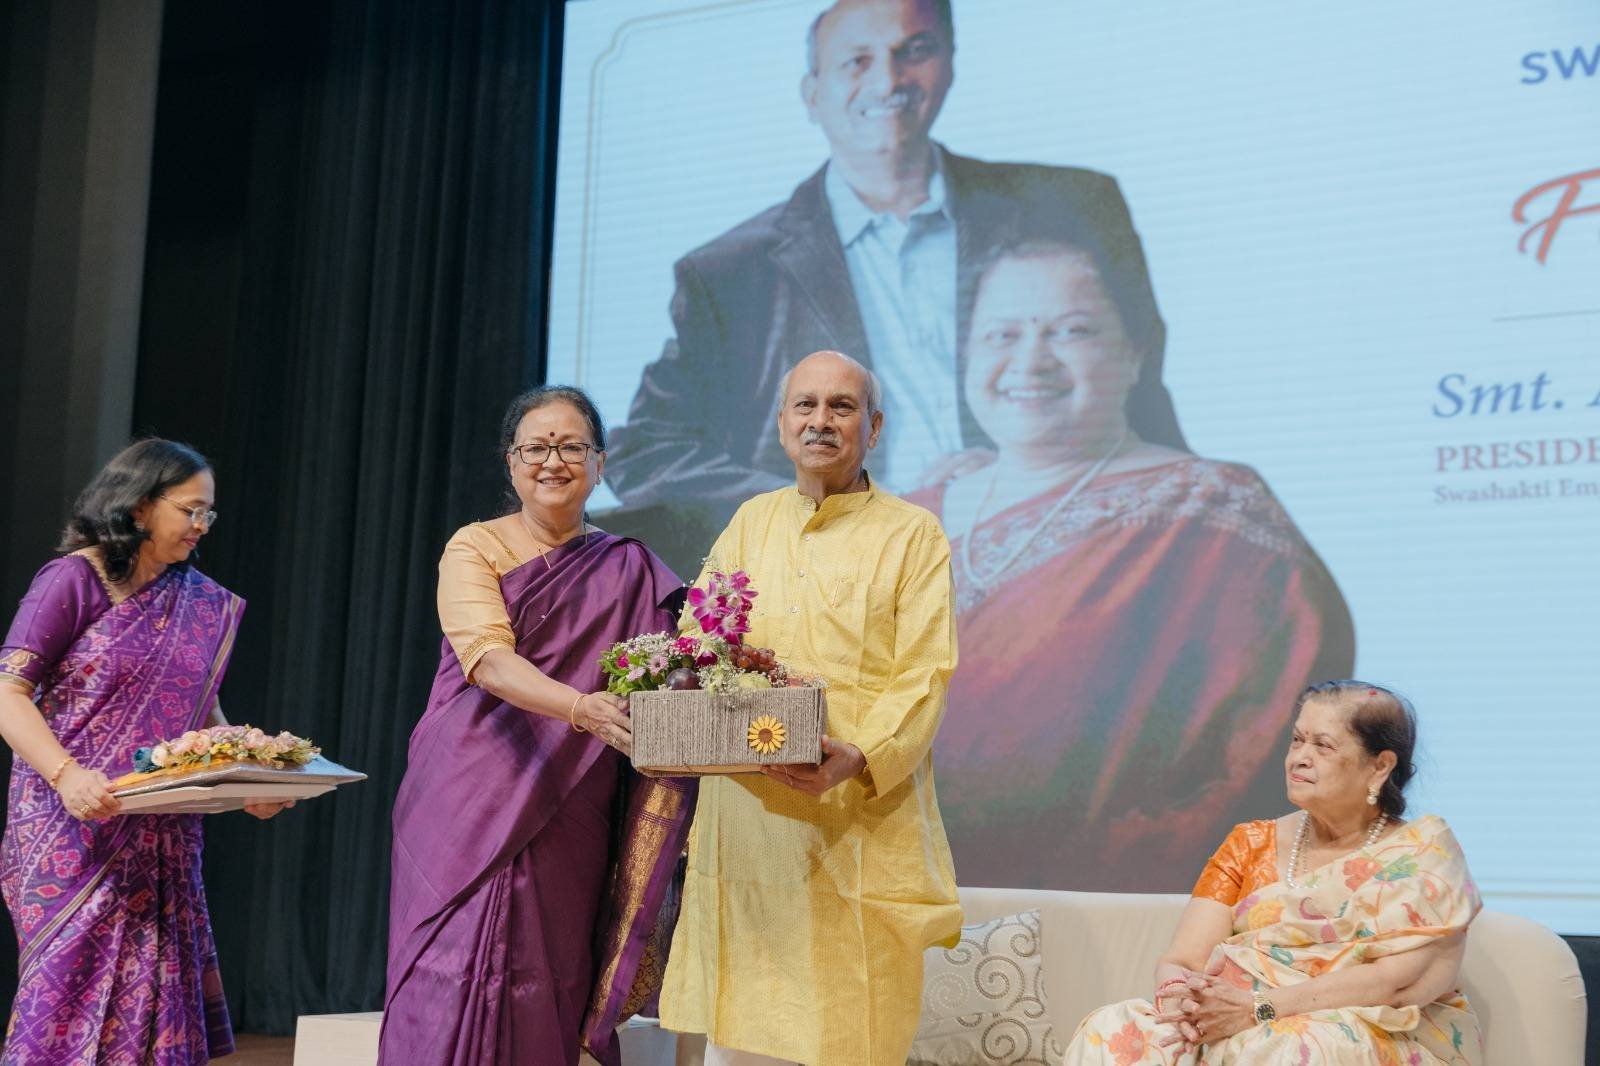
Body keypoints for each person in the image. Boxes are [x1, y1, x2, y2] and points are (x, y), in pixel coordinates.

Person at [604, 0, 1183, 575]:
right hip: (841, 585)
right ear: (812, 94)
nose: (889, 79)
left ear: (949, 65)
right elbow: (646, 450)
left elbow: (1140, 395)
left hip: (1062, 552)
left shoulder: (1069, 209)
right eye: (857, 61)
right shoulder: (730, 274)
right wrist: (839, 503)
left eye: (916, 51)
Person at [906, 236, 1354, 890]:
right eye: (1001, 334)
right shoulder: (905, 514)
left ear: (1135, 351)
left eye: (1072, 330)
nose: (1031, 359)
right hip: (896, 908)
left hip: (1112, 917)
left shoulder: (1214, 512)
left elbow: (1251, 755)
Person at [658, 350, 961, 1065]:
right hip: (750, 823)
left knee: (852, 1031)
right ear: (782, 422)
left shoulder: (912, 534)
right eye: (806, 405)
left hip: (855, 820)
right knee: (743, 1036)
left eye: (842, 407)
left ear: (874, 428)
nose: (821, 421)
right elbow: (701, 642)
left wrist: (863, 755)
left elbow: (926, 672)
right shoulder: (751, 522)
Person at [380, 386, 695, 1066]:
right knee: (447, 969)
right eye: (536, 447)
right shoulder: (475, 546)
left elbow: (676, 674)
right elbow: (488, 661)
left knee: (543, 969)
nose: (553, 460)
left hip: (571, 800)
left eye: (572, 446)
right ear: (511, 463)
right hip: (466, 789)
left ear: (601, 463)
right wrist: (581, 708)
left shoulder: (630, 567)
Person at [0, 438, 290, 1064]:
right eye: (189, 509)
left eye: (208, 513)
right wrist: (67, 774)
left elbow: (203, 718)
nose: (200, 525)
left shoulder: (206, 604)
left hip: (162, 835)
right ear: (138, 507)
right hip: (69, 822)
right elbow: (8, 693)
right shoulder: (74, 579)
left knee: (157, 994)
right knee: (65, 995)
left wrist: (249, 787)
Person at [1063, 682, 1482, 1065]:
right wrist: (1184, 1010)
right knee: (1118, 1029)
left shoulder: (1424, 857)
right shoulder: (1251, 842)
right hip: (1230, 1016)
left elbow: (1397, 984)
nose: (1300, 757)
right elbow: (1184, 960)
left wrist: (1258, 1008)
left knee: (1285, 1048)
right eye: (1297, 740)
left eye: (1323, 746)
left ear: (1379, 767)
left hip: (1361, 1029)